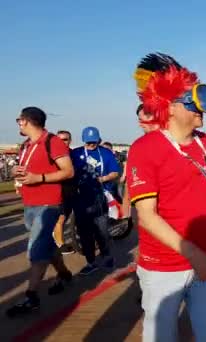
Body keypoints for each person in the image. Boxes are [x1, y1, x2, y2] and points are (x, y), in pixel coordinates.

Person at [127, 53, 206, 342]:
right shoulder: (145, 148)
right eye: (190, 99)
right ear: (169, 107)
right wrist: (194, 256)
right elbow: (147, 215)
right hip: (162, 267)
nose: (201, 108)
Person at [6, 107, 75, 318]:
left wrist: (39, 178)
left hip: (48, 205)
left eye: (19, 119)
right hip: (30, 203)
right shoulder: (26, 145)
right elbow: (24, 169)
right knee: (46, 245)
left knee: (35, 251)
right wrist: (14, 171)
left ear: (27, 121)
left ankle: (31, 296)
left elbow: (68, 171)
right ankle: (64, 274)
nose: (18, 123)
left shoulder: (52, 142)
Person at [70, 126, 120, 275]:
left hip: (100, 197)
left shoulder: (105, 153)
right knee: (84, 233)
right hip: (81, 199)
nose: (91, 144)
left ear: (98, 140)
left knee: (102, 231)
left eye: (94, 142)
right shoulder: (76, 153)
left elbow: (115, 172)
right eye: (88, 142)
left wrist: (102, 179)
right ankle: (91, 262)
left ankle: (107, 255)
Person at [52, 130, 77, 254]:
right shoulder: (52, 155)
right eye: (60, 139)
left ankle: (56, 238)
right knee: (60, 218)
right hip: (58, 190)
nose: (62, 142)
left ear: (70, 140)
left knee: (65, 216)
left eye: (65, 139)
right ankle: (60, 244)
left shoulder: (73, 154)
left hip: (71, 190)